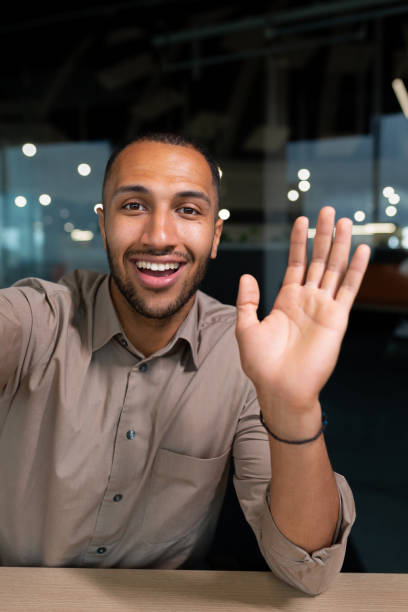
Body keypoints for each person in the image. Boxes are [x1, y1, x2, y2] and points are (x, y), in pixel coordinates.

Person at [0, 133, 370, 596]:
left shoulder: (245, 356)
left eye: (188, 210)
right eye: (133, 206)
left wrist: (294, 407)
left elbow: (307, 569)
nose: (159, 236)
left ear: (215, 235)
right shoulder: (37, 317)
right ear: (103, 225)